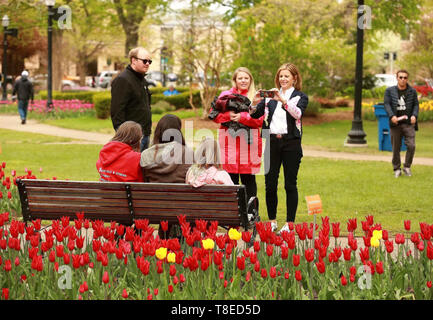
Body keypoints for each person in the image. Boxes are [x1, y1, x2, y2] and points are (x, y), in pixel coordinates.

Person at [249, 63, 308, 233]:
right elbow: (254, 114)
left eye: (287, 76)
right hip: (272, 143)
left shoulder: (300, 96)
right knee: (270, 184)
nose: (283, 79)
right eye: (281, 76)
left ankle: (289, 223)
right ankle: (273, 221)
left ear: (294, 78)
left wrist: (282, 100)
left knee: (290, 184)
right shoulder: (269, 98)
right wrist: (254, 102)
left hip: (291, 144)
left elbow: (297, 114)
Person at [208, 67, 264, 208]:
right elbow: (213, 114)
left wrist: (242, 117)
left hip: (248, 144)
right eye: (240, 78)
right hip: (229, 143)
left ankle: (251, 213)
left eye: (246, 78)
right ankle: (231, 212)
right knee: (230, 179)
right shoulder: (225, 95)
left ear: (250, 80)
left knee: (248, 179)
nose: (243, 81)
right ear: (235, 80)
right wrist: (228, 116)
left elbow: (261, 120)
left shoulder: (256, 98)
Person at [140, 114, 193, 238]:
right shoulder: (188, 153)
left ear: (158, 132)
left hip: (154, 206)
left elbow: (145, 180)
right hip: (182, 207)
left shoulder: (146, 155)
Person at [110, 47, 152, 152]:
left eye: (149, 61)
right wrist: (125, 137)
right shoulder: (123, 80)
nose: (147, 64)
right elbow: (116, 111)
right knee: (131, 168)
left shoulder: (142, 80)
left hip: (145, 134)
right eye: (144, 61)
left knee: (142, 168)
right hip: (131, 139)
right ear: (133, 60)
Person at [384, 70, 419, 178]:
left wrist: (414, 115)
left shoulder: (412, 91)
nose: (403, 79)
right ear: (397, 78)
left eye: (405, 78)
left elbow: (416, 105)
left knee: (411, 146)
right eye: (401, 77)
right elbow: (387, 104)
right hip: (396, 124)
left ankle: (407, 167)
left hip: (408, 123)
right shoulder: (389, 91)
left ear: (407, 79)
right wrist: (391, 116)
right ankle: (397, 168)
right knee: (396, 148)